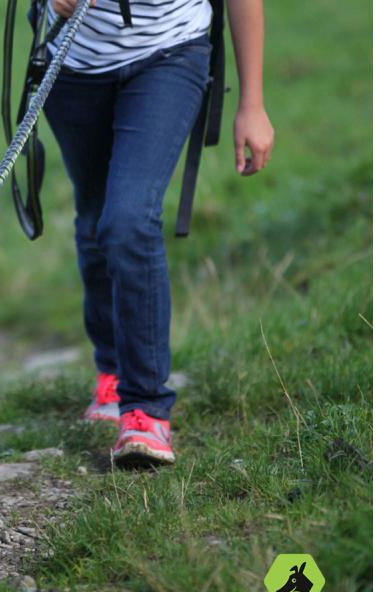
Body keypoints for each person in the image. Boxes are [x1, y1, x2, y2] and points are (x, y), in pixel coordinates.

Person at [43, 0, 274, 465]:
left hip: (169, 54)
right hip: (74, 66)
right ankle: (112, 368)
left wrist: (252, 103)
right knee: (95, 221)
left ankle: (145, 409)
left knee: (127, 220)